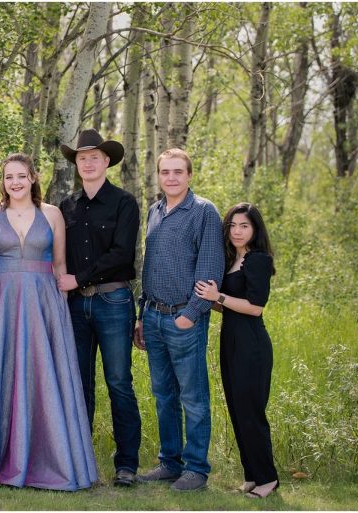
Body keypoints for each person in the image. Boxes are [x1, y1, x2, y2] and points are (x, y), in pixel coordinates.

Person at [0, 153, 98, 491]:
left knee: (41, 376)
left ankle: (49, 460)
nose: (15, 182)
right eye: (8, 177)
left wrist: (59, 309)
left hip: (42, 304)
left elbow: (59, 264)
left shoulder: (52, 214)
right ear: (3, 180)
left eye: (21, 176)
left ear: (33, 178)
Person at [134, 148, 224, 492]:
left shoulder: (203, 211)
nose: (171, 177)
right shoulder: (155, 211)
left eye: (178, 172)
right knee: (163, 395)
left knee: (193, 397)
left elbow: (211, 269)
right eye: (165, 172)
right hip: (154, 318)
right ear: (159, 176)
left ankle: (196, 469)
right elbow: (149, 267)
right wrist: (143, 316)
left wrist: (190, 315)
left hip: (184, 319)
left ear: (189, 175)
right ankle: (170, 463)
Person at [57, 129, 142, 487]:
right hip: (76, 306)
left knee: (119, 381)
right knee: (79, 383)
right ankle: (80, 460)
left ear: (107, 161)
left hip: (113, 300)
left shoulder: (124, 203)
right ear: (76, 164)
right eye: (81, 157)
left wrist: (79, 278)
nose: (88, 162)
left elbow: (122, 253)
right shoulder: (66, 206)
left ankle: (126, 465)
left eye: (94, 156)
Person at [194, 202, 279, 499]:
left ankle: (268, 479)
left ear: (255, 229)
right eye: (233, 225)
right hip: (230, 341)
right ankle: (252, 475)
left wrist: (219, 296)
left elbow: (255, 308)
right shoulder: (232, 260)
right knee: (237, 410)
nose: (237, 231)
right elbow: (230, 305)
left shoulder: (257, 260)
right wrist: (210, 299)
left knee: (251, 412)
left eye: (244, 226)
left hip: (251, 345)